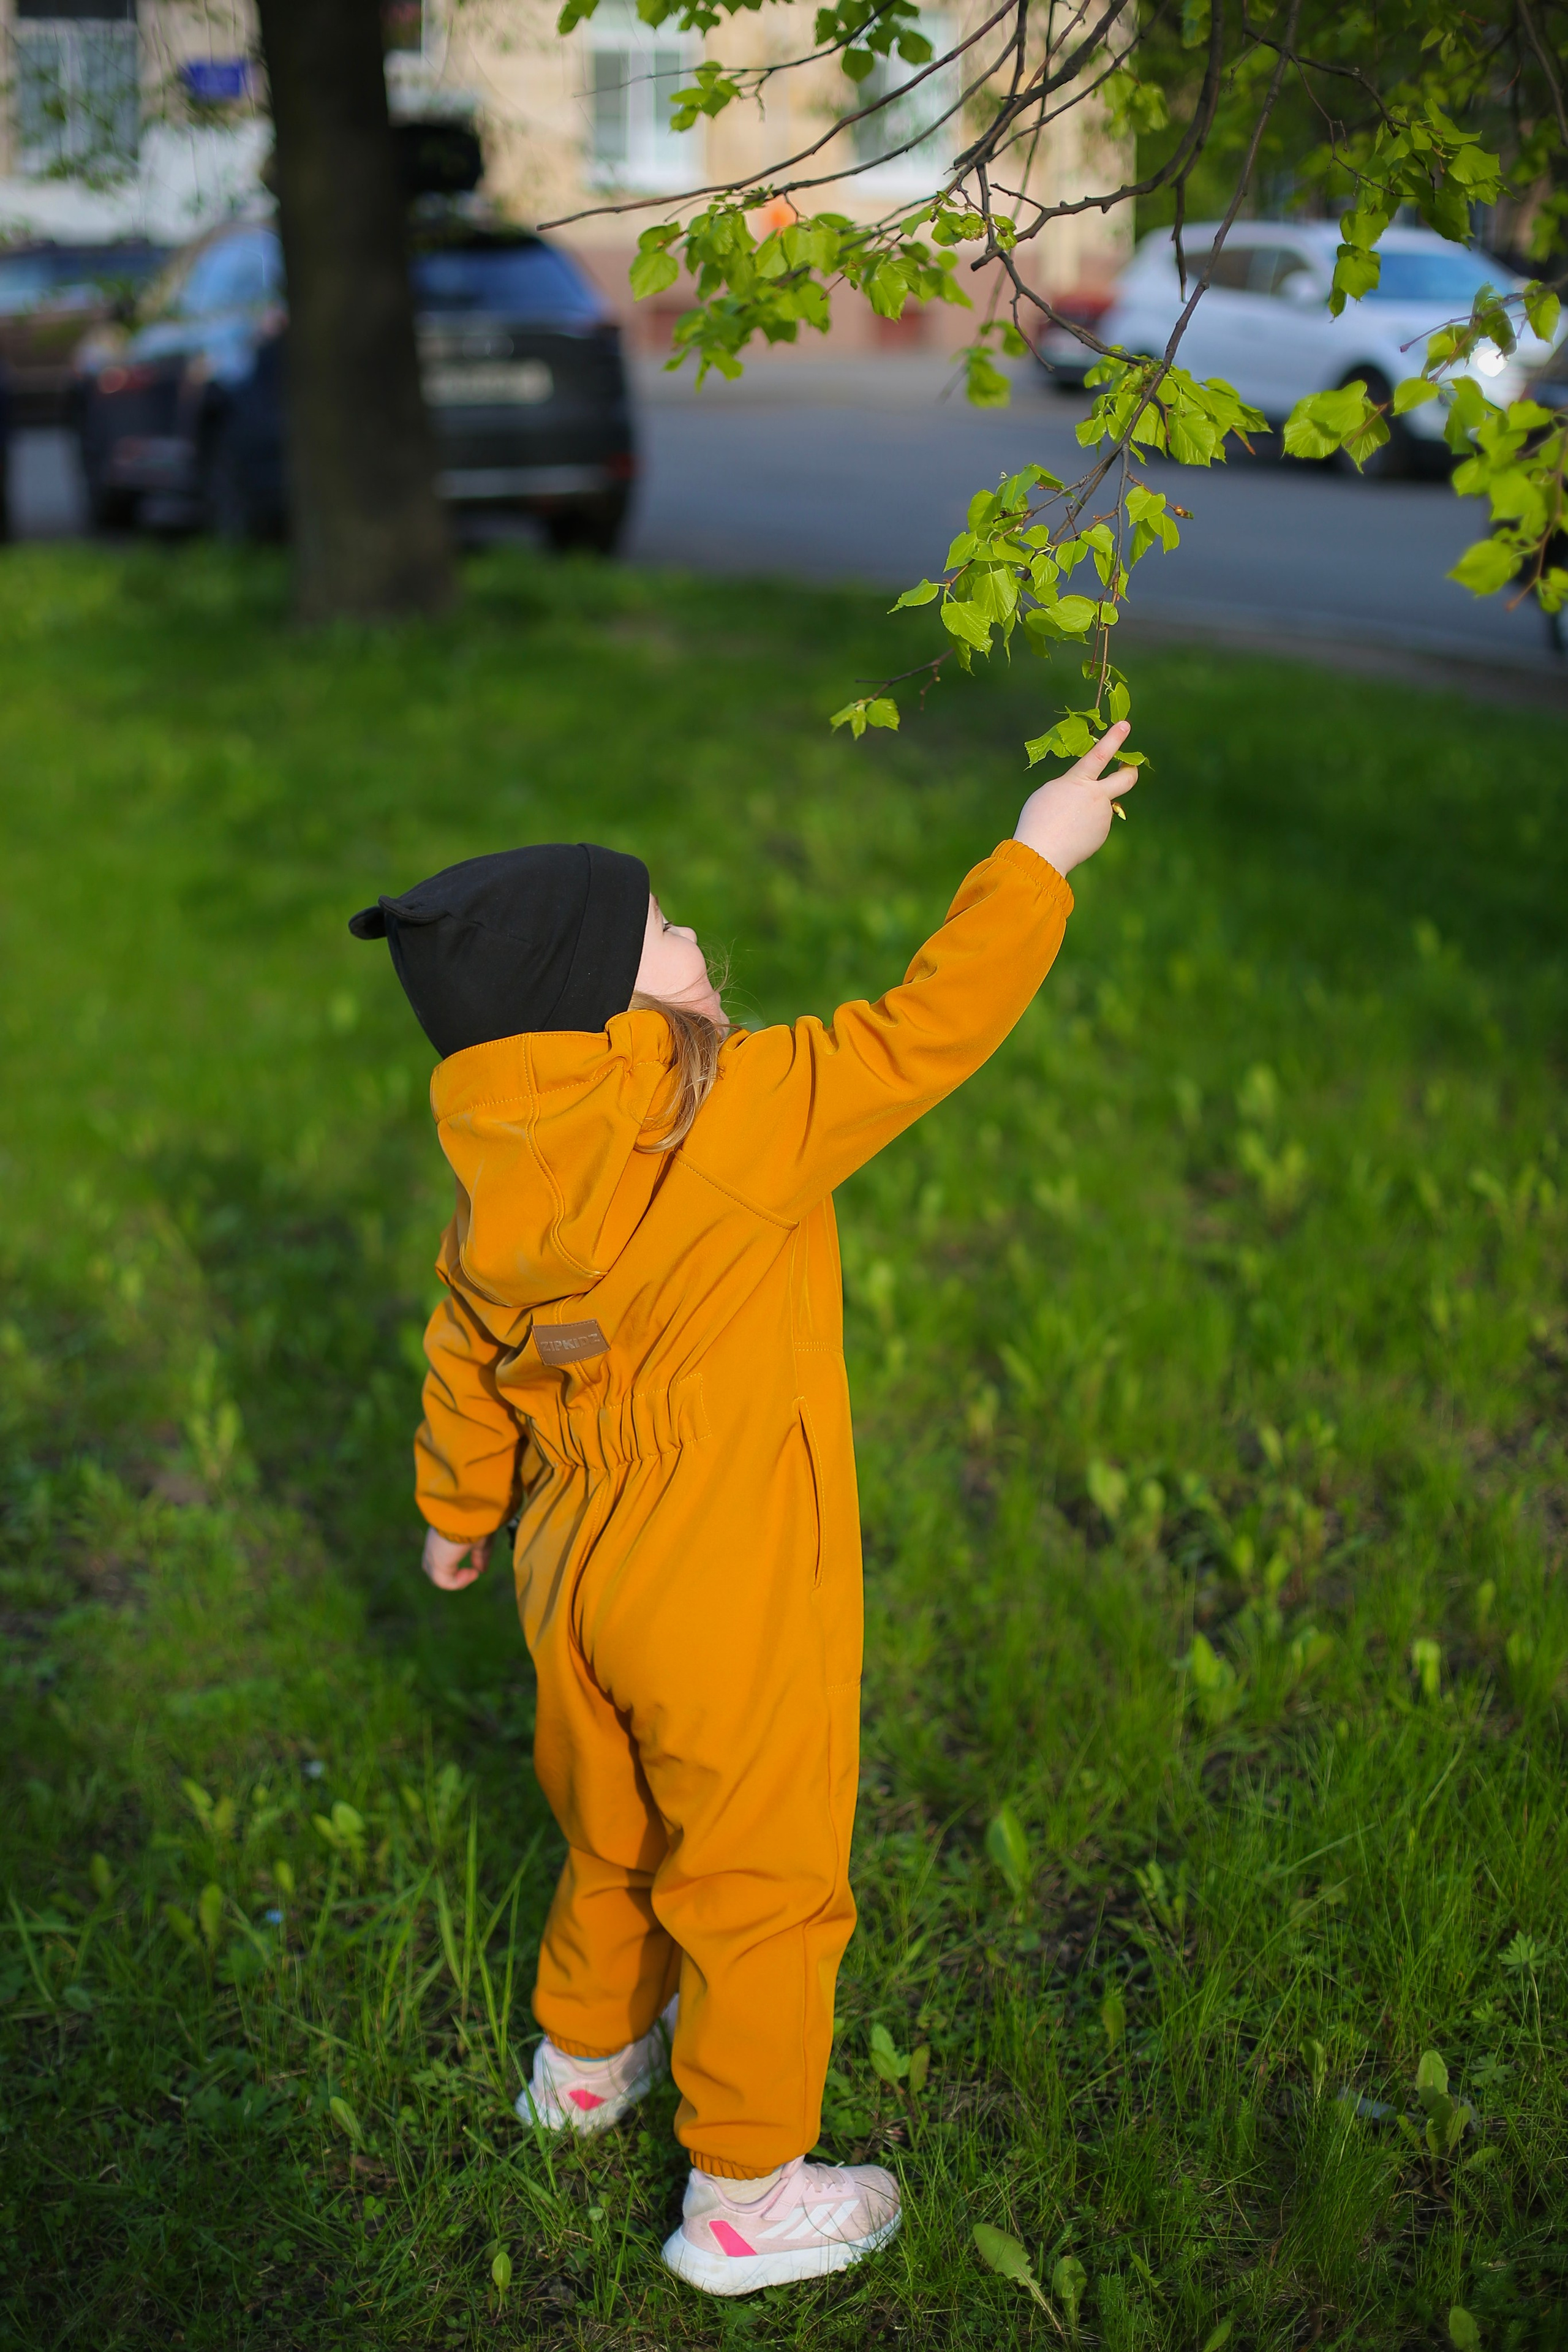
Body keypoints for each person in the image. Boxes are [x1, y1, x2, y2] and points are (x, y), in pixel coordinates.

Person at [349, 720, 1137, 2297]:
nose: (696, 936)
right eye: (662, 932)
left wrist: (458, 1510)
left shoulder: (496, 1186)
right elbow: (926, 1027)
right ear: (607, 1006)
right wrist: (1034, 858)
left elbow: (468, 1359)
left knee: (613, 1828)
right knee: (759, 1879)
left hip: (571, 1574)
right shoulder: (741, 1114)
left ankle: (580, 2066)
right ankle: (744, 2188)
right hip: (728, 1584)